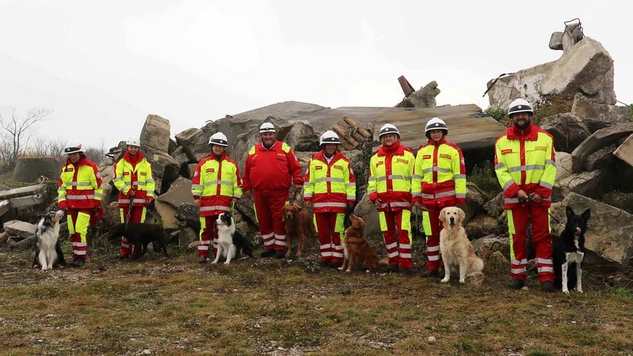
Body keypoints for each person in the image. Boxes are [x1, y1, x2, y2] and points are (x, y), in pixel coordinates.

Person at [494, 98, 557, 292]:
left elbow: (551, 166)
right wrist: (516, 191)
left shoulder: (545, 138)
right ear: (511, 117)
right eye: (516, 114)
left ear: (529, 115)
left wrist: (541, 192)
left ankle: (546, 277)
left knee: (543, 236)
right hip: (515, 197)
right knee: (517, 236)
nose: (520, 117)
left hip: (540, 197)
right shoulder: (501, 142)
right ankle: (518, 275)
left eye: (524, 113)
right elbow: (500, 170)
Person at [412, 117, 467, 277]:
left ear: (443, 132)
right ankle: (432, 266)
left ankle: (448, 267)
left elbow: (460, 174)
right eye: (432, 132)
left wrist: (460, 197)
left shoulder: (453, 150)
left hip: (447, 202)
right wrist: (416, 197)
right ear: (428, 134)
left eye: (438, 131)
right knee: (431, 234)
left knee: (450, 235)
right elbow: (417, 176)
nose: (436, 134)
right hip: (428, 202)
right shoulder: (422, 152)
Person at [242, 122, 304, 258]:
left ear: (274, 135)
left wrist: (298, 181)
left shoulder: (285, 149)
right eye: (265, 134)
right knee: (264, 220)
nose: (268, 137)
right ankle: (269, 247)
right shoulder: (253, 151)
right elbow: (246, 172)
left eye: (270, 134)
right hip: (259, 193)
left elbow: (295, 167)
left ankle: (280, 248)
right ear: (261, 136)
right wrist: (246, 187)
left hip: (279, 193)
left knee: (279, 220)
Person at [368, 123, 416, 273]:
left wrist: (414, 196)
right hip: (383, 203)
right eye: (385, 136)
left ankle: (406, 264)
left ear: (397, 137)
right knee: (387, 232)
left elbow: (415, 178)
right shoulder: (375, 158)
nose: (388, 138)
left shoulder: (408, 155)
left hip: (403, 201)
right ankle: (393, 262)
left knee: (404, 231)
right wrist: (373, 195)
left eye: (391, 136)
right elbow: (372, 181)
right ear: (381, 139)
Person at [304, 130, 356, 267]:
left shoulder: (344, 162)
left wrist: (350, 200)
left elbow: (350, 182)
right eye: (328, 144)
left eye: (333, 144)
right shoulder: (314, 161)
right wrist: (308, 197)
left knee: (337, 231)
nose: (331, 147)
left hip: (338, 203)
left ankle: (337, 258)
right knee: (321, 231)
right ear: (323, 145)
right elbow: (309, 181)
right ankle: (326, 256)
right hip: (320, 203)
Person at [191, 132, 243, 263]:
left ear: (224, 148)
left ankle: (217, 254)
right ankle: (202, 254)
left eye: (221, 146)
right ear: (211, 146)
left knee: (220, 231)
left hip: (224, 205)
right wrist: (196, 197)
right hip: (206, 204)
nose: (218, 148)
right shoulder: (203, 164)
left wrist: (236, 197)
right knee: (205, 230)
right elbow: (197, 182)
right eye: (215, 146)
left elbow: (238, 184)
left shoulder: (232, 165)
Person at [57, 142, 104, 267]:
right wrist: (62, 202)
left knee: (80, 230)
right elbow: (62, 188)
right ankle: (76, 256)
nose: (72, 156)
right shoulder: (65, 168)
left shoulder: (90, 167)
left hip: (86, 206)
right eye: (70, 154)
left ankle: (81, 257)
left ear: (80, 153)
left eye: (74, 154)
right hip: (71, 206)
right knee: (72, 231)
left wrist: (95, 202)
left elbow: (98, 186)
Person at [112, 138, 156, 259]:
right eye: (131, 147)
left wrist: (149, 195)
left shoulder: (146, 164)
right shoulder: (120, 163)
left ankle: (137, 252)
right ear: (128, 147)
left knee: (138, 228)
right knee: (126, 227)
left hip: (141, 201)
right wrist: (127, 190)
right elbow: (116, 180)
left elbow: (150, 182)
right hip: (126, 201)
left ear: (138, 148)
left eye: (135, 147)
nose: (133, 149)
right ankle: (125, 252)